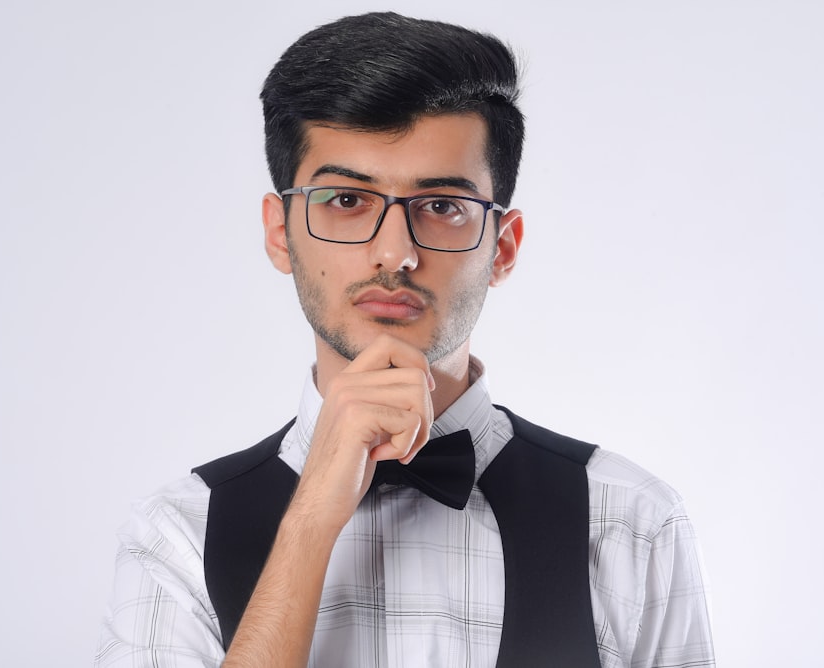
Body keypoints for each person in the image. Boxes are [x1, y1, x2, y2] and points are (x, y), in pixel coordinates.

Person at [95, 12, 714, 668]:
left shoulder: (629, 524)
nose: (395, 253)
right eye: (345, 200)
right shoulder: (178, 534)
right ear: (281, 232)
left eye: (443, 206)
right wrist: (307, 526)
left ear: (502, 248)